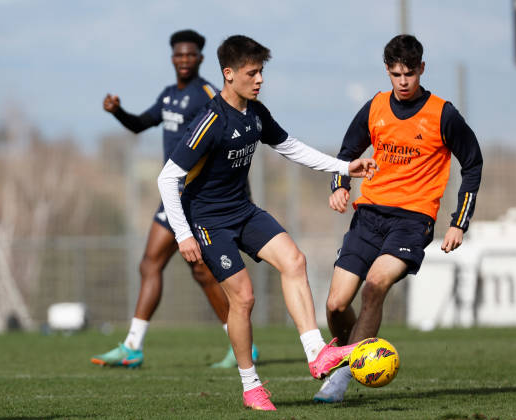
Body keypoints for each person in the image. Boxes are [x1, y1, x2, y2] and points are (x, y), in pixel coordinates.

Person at [157, 35, 378, 411]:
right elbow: (167, 178)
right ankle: (251, 386)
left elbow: (290, 147)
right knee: (243, 298)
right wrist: (182, 234)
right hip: (209, 222)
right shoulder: (211, 121)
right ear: (228, 75)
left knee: (295, 260)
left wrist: (344, 167)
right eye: (251, 72)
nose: (259, 79)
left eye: (261, 72)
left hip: (242, 210)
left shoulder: (256, 113)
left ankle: (316, 352)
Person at [313, 34, 483, 403]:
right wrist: (340, 184)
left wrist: (459, 221)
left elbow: (472, 163)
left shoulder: (443, 113)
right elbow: (347, 152)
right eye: (395, 74)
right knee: (335, 305)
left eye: (409, 73)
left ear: (421, 69)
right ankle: (352, 356)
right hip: (369, 215)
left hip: (412, 219)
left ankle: (340, 379)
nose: (403, 81)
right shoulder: (375, 107)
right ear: (387, 72)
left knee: (375, 285)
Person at [91, 29, 258, 369]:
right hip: (171, 194)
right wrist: (118, 112)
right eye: (178, 55)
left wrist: (239, 196)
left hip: (198, 197)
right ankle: (133, 346)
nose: (184, 60)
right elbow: (140, 125)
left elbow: (229, 140)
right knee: (152, 263)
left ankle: (241, 343)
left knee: (201, 270)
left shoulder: (208, 94)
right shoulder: (169, 95)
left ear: (199, 58)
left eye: (190, 55)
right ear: (172, 58)